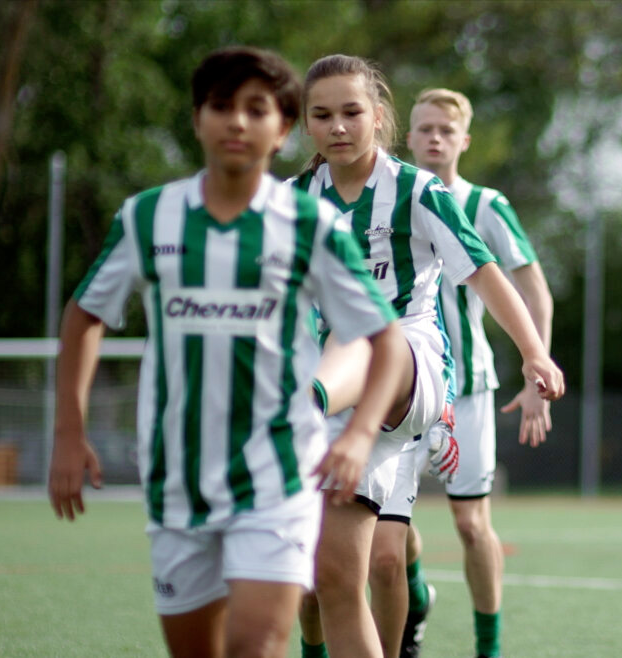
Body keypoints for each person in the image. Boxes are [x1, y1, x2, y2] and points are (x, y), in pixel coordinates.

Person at [48, 46, 408, 658]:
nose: (236, 122)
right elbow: (85, 315)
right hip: (178, 478)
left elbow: (385, 338)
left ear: (282, 127)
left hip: (278, 475)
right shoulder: (149, 217)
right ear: (197, 121)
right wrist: (68, 430)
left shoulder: (308, 223)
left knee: (256, 643)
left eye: (255, 108)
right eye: (220, 107)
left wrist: (358, 433)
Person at [289, 55, 563, 658]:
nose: (338, 126)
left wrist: (534, 352)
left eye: (352, 112)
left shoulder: (418, 191)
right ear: (305, 125)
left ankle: (301, 407)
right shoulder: (290, 201)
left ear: (380, 117)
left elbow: (488, 276)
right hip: (343, 406)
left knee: (361, 328)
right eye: (322, 115)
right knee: (332, 582)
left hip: (412, 369)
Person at [397, 88, 555, 658]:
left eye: (445, 129)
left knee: (470, 524)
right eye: (424, 129)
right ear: (408, 137)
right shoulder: (391, 198)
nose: (434, 138)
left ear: (464, 140)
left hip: (468, 391)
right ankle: (415, 598)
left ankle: (487, 648)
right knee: (386, 523)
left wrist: (536, 374)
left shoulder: (486, 205)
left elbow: (533, 288)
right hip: (401, 391)